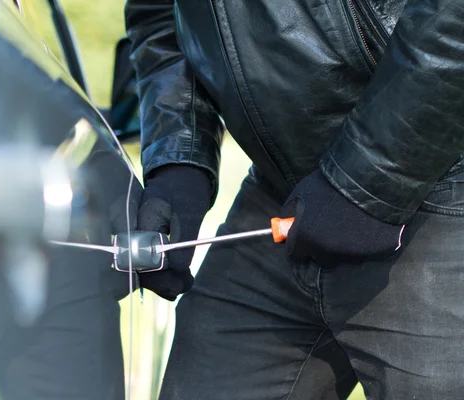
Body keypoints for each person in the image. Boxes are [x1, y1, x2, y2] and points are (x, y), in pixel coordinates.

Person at [125, 0, 464, 399]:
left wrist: (370, 177)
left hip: (438, 185)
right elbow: (161, 14)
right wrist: (179, 163)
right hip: (279, 197)